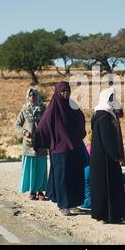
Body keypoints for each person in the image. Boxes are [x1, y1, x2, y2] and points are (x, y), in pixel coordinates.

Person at [33, 81, 86, 216]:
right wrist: (41, 142)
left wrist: (79, 135)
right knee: (62, 177)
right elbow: (42, 126)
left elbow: (80, 118)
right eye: (63, 91)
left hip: (74, 146)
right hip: (59, 149)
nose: (65, 93)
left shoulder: (72, 106)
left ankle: (73, 202)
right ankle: (63, 204)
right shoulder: (53, 108)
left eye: (67, 91)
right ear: (57, 92)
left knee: (74, 175)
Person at [89, 88, 125, 223]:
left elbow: (121, 112)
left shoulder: (104, 114)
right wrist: (117, 156)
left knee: (107, 186)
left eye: (113, 98)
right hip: (106, 158)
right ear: (104, 99)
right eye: (110, 98)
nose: (112, 101)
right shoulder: (104, 117)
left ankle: (108, 214)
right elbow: (108, 140)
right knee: (107, 186)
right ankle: (108, 215)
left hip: (103, 157)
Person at [16, 88, 48, 201]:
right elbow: (18, 124)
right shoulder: (25, 109)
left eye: (34, 95)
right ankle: (32, 191)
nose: (32, 97)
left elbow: (49, 122)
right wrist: (24, 132)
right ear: (28, 97)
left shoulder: (44, 109)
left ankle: (40, 191)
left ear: (38, 96)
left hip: (41, 143)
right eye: (30, 95)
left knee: (41, 168)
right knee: (31, 168)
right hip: (29, 144)